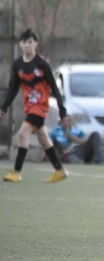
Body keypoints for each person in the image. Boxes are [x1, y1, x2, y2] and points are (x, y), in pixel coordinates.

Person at [0, 28, 68, 183]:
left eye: (30, 41)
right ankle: (59, 171)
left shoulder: (42, 64)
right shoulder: (17, 64)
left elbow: (54, 88)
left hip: (40, 107)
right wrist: (4, 107)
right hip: (30, 107)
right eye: (24, 42)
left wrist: (62, 112)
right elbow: (13, 88)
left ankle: (17, 172)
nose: (27, 45)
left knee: (22, 134)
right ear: (20, 44)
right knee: (43, 139)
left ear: (36, 43)